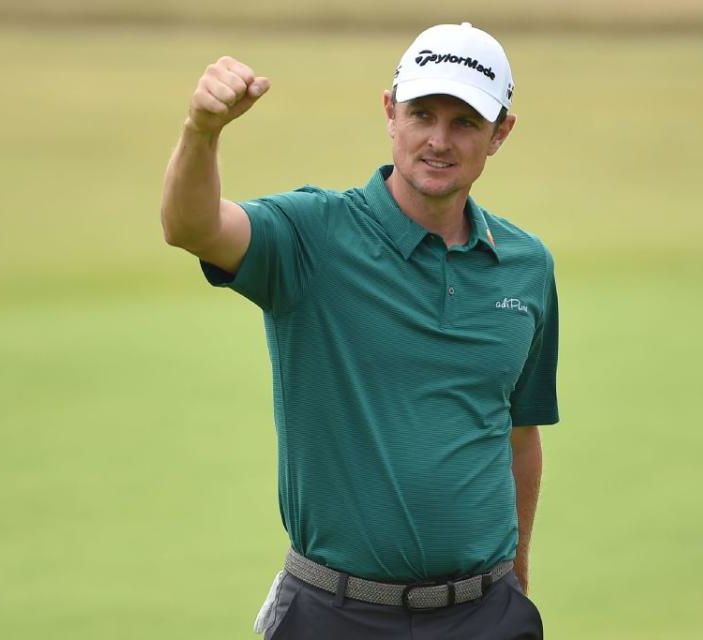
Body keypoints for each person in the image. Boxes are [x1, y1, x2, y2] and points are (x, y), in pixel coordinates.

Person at [161, 22, 559, 640]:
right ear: (389, 113)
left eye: (465, 123)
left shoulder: (525, 265)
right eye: (422, 113)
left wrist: (516, 586)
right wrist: (201, 132)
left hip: (487, 613)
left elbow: (517, 430)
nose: (438, 140)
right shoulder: (313, 235)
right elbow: (192, 226)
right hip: (335, 613)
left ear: (500, 133)